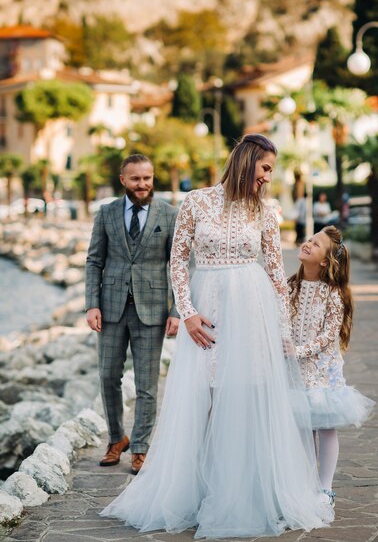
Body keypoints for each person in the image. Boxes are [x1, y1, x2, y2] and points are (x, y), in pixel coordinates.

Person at [101, 134, 333, 537]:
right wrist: (187, 314)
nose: (267, 177)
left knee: (244, 393)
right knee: (202, 397)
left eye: (270, 171)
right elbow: (177, 263)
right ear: (246, 162)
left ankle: (243, 489)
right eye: (264, 168)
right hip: (206, 308)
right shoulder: (196, 201)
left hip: (252, 306)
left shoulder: (266, 210)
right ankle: (196, 491)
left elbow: (277, 274)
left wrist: (284, 328)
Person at [85, 154, 180, 475]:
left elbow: (179, 266)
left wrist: (178, 310)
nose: (143, 185)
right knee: (108, 377)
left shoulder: (169, 215)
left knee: (147, 385)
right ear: (123, 179)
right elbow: (94, 261)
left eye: (148, 178)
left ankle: (140, 447)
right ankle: (116, 439)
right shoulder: (106, 213)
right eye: (136, 179)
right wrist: (92, 304)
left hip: (152, 310)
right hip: (110, 308)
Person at [288, 226, 375, 506]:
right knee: (302, 427)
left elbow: (328, 336)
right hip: (293, 369)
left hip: (321, 370)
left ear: (325, 261)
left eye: (315, 244)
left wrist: (299, 350)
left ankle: (325, 488)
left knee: (324, 426)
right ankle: (303, 483)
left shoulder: (333, 295)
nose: (307, 244)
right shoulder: (291, 286)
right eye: (309, 240)